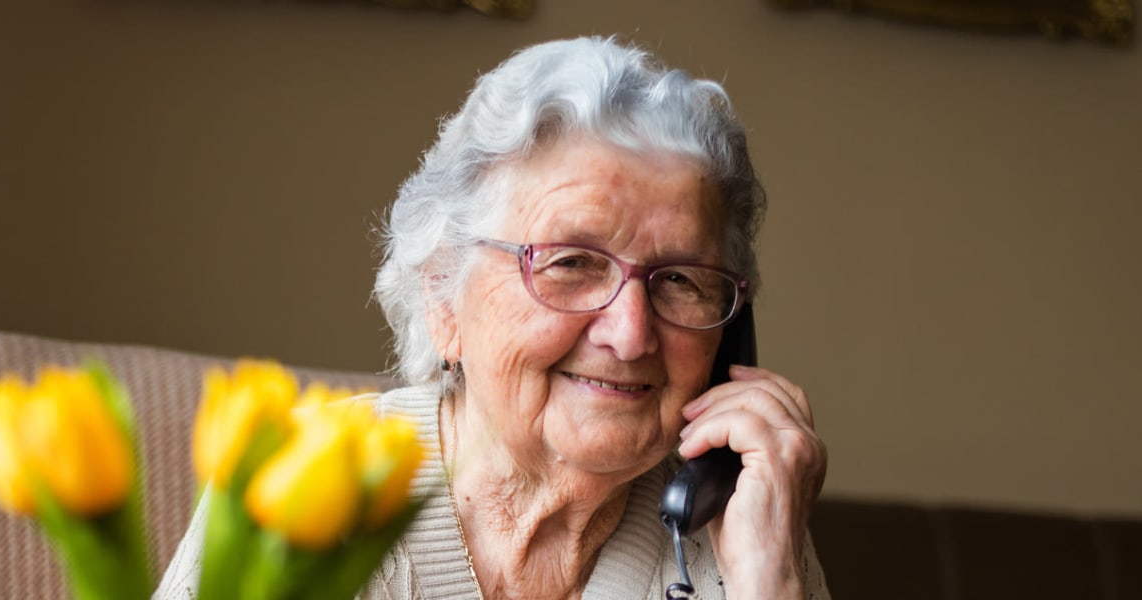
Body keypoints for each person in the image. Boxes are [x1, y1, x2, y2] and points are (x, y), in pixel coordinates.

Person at [158, 36, 828, 599]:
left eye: (681, 280)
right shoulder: (296, 494)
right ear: (443, 295)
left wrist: (773, 583)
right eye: (570, 263)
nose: (629, 334)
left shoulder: (735, 526)